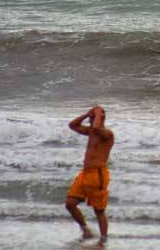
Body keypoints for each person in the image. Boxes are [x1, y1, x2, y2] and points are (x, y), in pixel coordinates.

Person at [65, 105, 115, 244]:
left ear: (101, 118)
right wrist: (87, 114)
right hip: (85, 174)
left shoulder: (107, 134)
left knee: (99, 210)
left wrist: (98, 112)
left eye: (93, 118)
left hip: (98, 175)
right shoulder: (91, 132)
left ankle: (103, 239)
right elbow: (72, 125)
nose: (90, 122)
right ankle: (85, 228)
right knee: (70, 203)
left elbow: (99, 128)